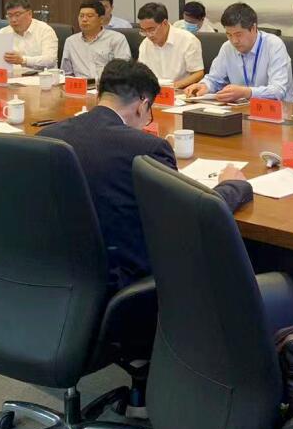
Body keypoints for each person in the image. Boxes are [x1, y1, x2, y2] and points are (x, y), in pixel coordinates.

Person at [40, 59, 251, 289]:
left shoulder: (48, 137)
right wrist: (232, 186)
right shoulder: (148, 148)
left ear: (100, 94)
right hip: (122, 278)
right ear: (142, 106)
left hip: (52, 272)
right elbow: (185, 218)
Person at [185, 2, 293, 103]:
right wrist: (204, 85)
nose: (234, 41)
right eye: (229, 35)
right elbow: (214, 79)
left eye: (239, 34)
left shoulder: (274, 45)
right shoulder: (227, 47)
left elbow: (278, 91)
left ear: (253, 28)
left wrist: (246, 92)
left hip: (279, 111)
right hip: (241, 109)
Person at [0, 0, 58, 74]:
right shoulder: (4, 32)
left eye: (17, 15)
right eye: (10, 16)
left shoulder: (45, 30)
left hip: (40, 79)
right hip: (12, 79)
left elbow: (50, 60)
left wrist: (22, 60)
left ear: (29, 14)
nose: (13, 20)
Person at [136, 2, 205, 89]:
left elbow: (198, 73)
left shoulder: (188, 40)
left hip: (180, 91)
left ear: (164, 23)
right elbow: (142, 72)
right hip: (153, 91)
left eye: (151, 30)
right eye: (143, 31)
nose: (148, 35)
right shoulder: (145, 43)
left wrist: (176, 85)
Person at [61, 0, 131, 79]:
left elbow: (123, 71)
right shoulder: (71, 41)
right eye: (81, 16)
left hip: (107, 84)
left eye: (89, 16)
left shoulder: (117, 39)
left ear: (101, 19)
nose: (84, 20)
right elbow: (66, 74)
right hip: (80, 85)